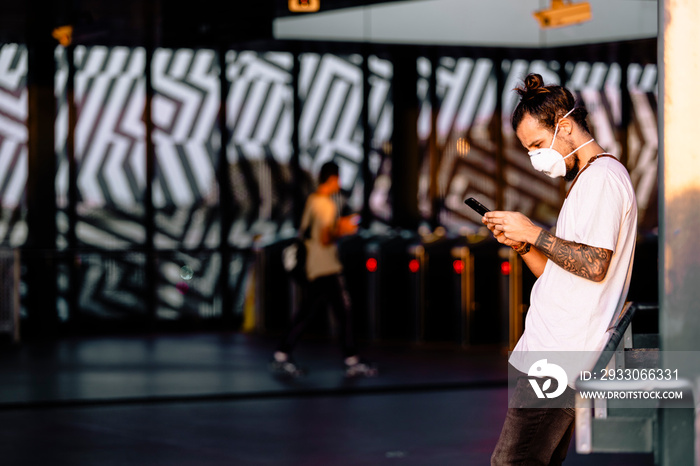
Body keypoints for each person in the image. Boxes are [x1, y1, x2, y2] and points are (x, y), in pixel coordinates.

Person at [484, 74, 637, 465]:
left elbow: (595, 264)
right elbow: (563, 277)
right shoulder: (588, 181)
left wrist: (534, 231)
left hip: (560, 358)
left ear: (564, 127)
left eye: (537, 145)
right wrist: (523, 243)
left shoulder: (602, 179)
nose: (536, 159)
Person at [271, 161, 377, 378]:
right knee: (343, 311)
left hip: (313, 266)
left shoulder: (312, 201)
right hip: (325, 266)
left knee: (307, 311)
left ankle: (282, 355)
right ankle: (352, 360)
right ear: (333, 179)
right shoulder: (326, 205)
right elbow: (325, 237)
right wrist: (344, 228)